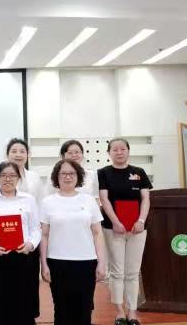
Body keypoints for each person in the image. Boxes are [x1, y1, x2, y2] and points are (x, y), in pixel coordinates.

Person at [39, 159, 107, 325]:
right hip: (57, 262)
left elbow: (97, 233)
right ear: (57, 177)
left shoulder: (89, 201)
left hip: (86, 262)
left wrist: (102, 263)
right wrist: (44, 264)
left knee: (84, 309)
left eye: (71, 173)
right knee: (61, 310)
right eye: (63, 173)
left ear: (78, 176)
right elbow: (44, 235)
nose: (67, 177)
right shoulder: (48, 202)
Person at [0, 161, 40, 325]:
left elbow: (36, 229)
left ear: (18, 178)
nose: (7, 179)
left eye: (12, 175)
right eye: (3, 175)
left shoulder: (28, 200)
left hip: (23, 254)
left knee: (24, 299)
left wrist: (31, 245)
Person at [98, 138, 152, 325]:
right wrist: (116, 222)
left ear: (128, 151)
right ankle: (119, 311)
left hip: (137, 229)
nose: (119, 152)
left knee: (133, 271)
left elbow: (146, 199)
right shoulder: (103, 173)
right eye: (115, 149)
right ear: (109, 153)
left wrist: (141, 220)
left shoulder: (139, 172)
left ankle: (132, 311)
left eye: (122, 149)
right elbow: (104, 199)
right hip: (113, 228)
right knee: (117, 271)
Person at [5, 138, 48, 320]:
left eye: (22, 151)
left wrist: (38, 231)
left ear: (28, 154)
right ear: (7, 154)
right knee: (7, 279)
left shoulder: (34, 178)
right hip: (5, 234)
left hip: (30, 235)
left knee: (29, 278)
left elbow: (40, 204)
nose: (18, 155)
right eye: (14, 151)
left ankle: (28, 316)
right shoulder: (0, 176)